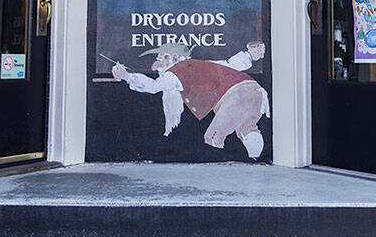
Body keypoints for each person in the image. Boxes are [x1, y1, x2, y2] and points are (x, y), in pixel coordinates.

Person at [111, 41, 269, 159]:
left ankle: (219, 178)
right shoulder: (201, 65)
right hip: (256, 93)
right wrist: (250, 55)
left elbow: (153, 86)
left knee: (213, 137)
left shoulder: (176, 71)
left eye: (163, 57)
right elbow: (231, 64)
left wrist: (126, 76)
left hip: (235, 96)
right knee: (246, 129)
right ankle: (255, 163)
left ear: (175, 58)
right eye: (159, 58)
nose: (159, 63)